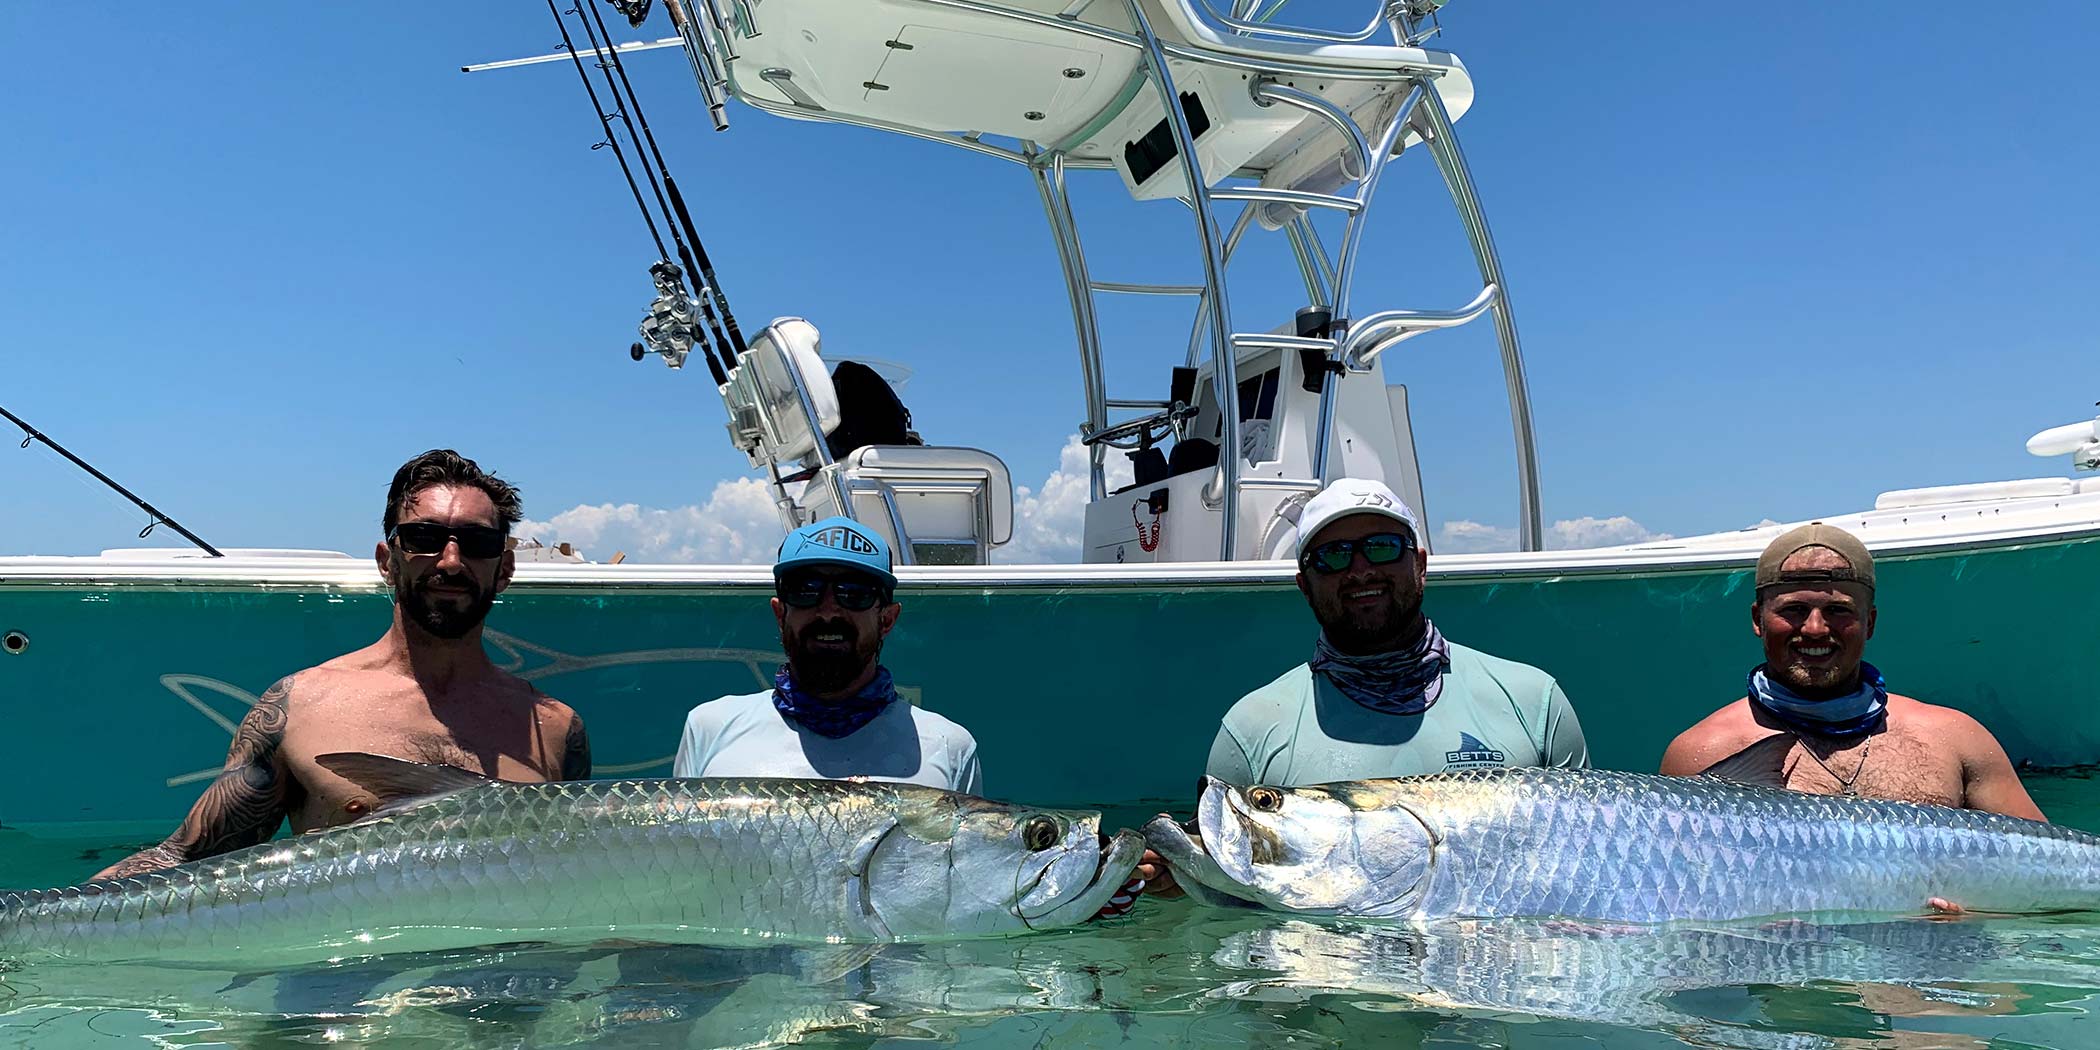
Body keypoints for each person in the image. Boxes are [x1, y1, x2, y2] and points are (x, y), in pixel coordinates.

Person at [95, 450, 590, 880]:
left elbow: (576, 875)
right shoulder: (299, 707)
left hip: (504, 986)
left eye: (478, 544)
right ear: (386, 560)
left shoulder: (555, 729)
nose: (451, 562)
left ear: (504, 568)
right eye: (424, 537)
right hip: (342, 986)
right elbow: (186, 858)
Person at [1206, 477, 1589, 787]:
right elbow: (1213, 873)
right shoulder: (1250, 731)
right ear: (1304, 585)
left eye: (1383, 547)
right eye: (1333, 556)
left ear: (1420, 565)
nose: (1360, 570)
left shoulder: (1535, 701)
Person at [1659, 522, 2044, 819]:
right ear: (1758, 619)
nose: (1814, 629)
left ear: (1870, 622)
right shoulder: (1701, 754)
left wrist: (1979, 914)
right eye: (1793, 610)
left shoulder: (1957, 737)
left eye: (1839, 611)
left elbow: (2048, 876)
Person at [673, 516, 981, 792]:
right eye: (805, 590)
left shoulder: (950, 747)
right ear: (780, 614)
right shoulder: (708, 727)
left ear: (887, 619)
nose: (829, 610)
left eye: (855, 593)